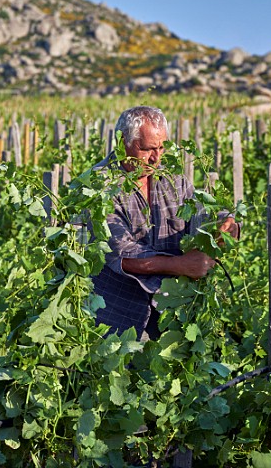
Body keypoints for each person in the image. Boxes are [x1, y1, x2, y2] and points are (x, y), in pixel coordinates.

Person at [91, 106, 239, 341]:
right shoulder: (99, 185)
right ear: (122, 142)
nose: (156, 157)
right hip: (116, 316)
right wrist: (181, 265)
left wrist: (225, 224)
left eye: (161, 147)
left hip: (170, 313)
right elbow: (121, 254)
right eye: (147, 148)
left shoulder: (172, 179)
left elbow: (200, 210)